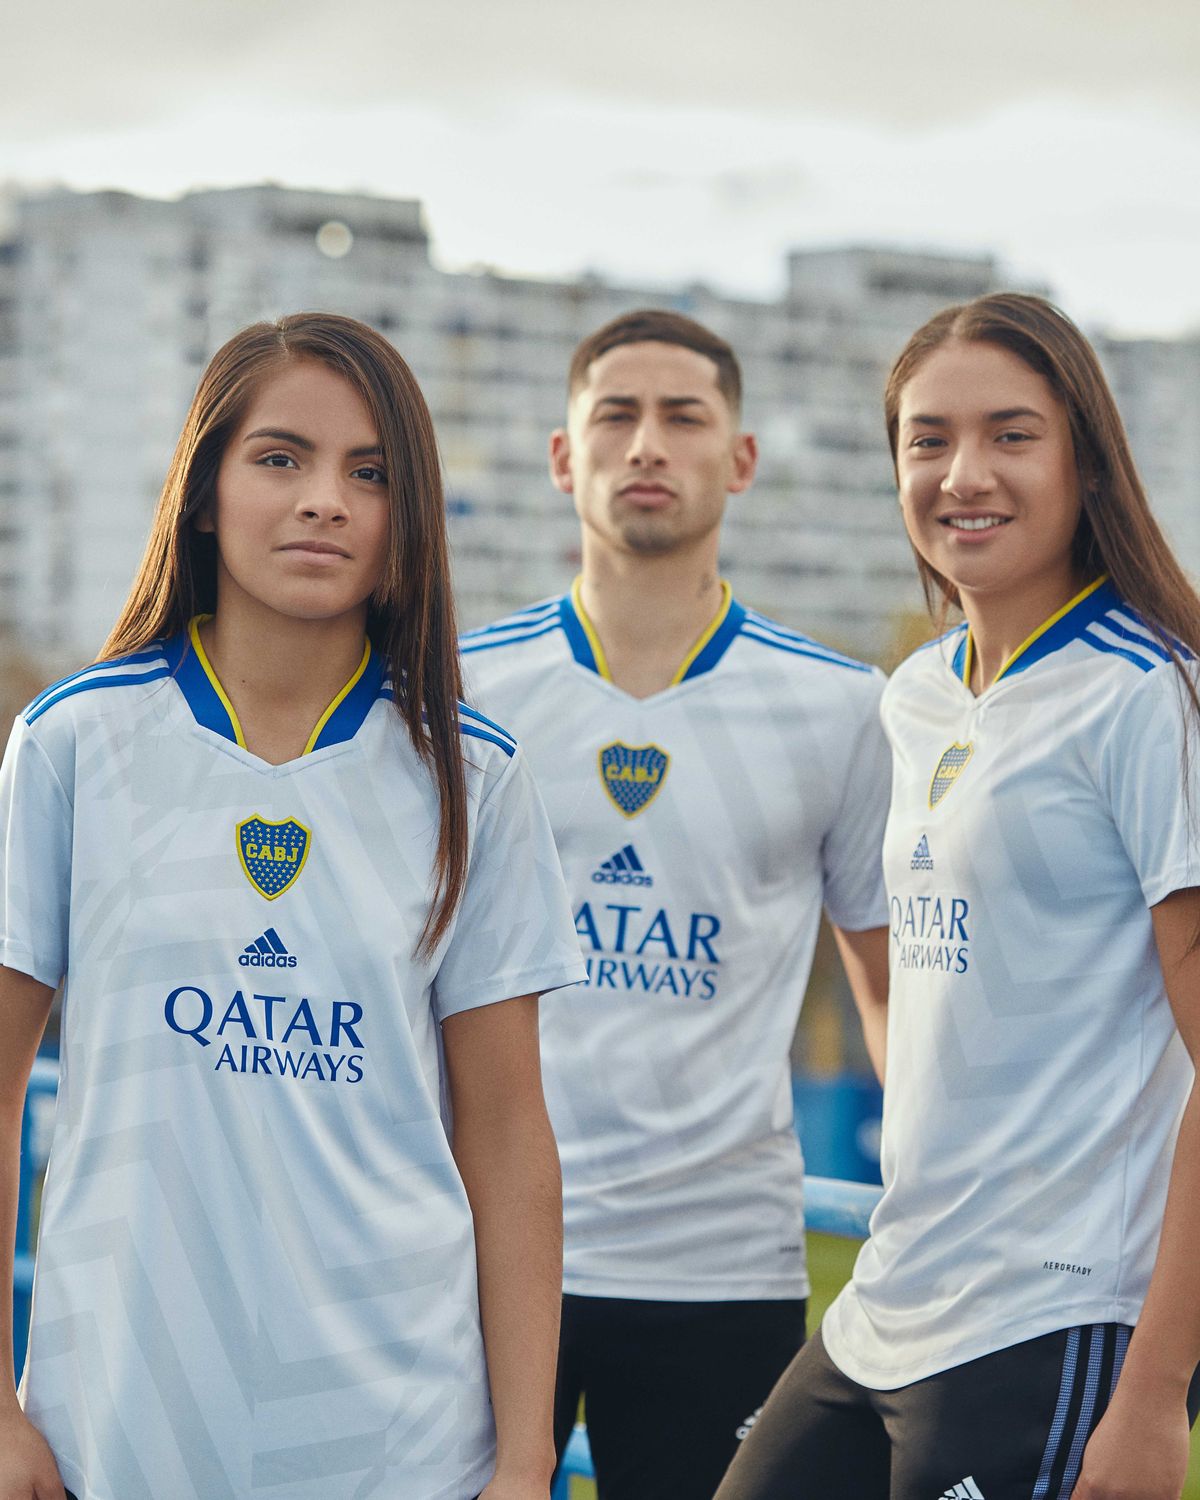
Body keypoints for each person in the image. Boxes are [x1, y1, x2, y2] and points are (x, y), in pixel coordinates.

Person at [0, 312, 585, 1500]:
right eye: (281, 458)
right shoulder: (74, 742)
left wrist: (527, 1461)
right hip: (124, 1428)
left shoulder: (475, 777)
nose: (325, 500)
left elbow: (508, 1134)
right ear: (204, 493)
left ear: (408, 521)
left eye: (370, 474)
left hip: (400, 1439)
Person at [716, 292, 1200, 1500]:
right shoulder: (918, 694)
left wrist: (1153, 1393)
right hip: (894, 1292)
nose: (963, 474)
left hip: (1054, 1317)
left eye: (1011, 435)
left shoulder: (1152, 697)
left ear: (1087, 460)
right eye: (928, 440)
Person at [461, 308, 891, 1500]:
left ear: (740, 459)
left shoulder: (841, 707)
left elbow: (889, 993)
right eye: (617, 415)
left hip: (722, 1269)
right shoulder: (465, 687)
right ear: (565, 456)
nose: (647, 443)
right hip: (485, 1249)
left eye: (684, 416)